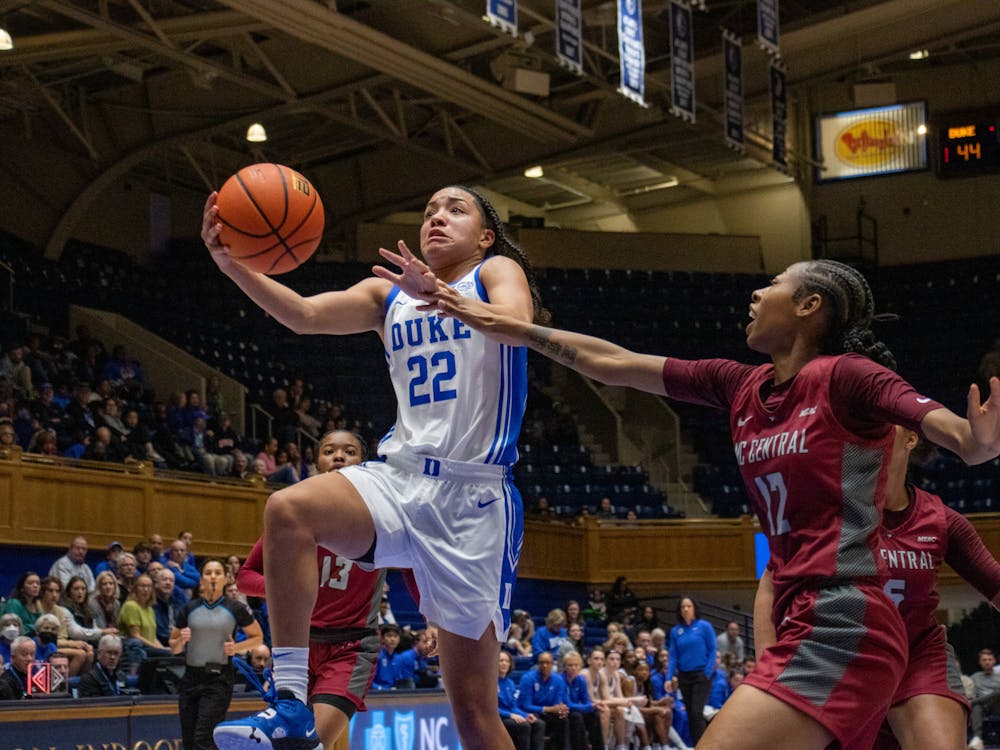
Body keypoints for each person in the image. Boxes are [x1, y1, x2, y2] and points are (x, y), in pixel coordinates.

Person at [432, 257, 1000, 749]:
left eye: (774, 284)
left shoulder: (846, 376)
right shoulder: (739, 384)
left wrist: (976, 441)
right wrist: (510, 328)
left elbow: (951, 432)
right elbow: (616, 363)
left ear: (810, 305)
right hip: (802, 613)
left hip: (844, 614)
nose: (755, 293)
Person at [204, 182, 545, 750]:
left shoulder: (495, 272)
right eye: (429, 208)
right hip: (400, 475)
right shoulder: (387, 295)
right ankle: (290, 705)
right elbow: (305, 314)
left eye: (455, 210)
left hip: (474, 500)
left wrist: (436, 292)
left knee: (474, 714)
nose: (436, 216)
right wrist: (229, 263)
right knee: (289, 509)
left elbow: (515, 324)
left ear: (485, 236)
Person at [236, 429, 401, 748]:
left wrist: (433, 619)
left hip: (350, 646)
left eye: (349, 451)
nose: (339, 456)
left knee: (310, 742)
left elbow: (413, 566)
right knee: (311, 741)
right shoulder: (294, 516)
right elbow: (246, 576)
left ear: (364, 462)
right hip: (298, 646)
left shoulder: (382, 512)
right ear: (316, 462)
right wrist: (288, 589)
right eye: (329, 450)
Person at [170, 559, 264, 750]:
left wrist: (235, 648)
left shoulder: (236, 608)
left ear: (225, 578)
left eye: (217, 573)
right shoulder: (189, 608)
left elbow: (257, 637)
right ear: (201, 580)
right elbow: (174, 647)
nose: (213, 576)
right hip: (190, 679)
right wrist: (181, 640)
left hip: (218, 679)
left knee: (204, 737)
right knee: (189, 740)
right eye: (208, 573)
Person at [665, 598, 716, 743]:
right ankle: (697, 744)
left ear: (694, 608)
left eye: (689, 606)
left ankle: (704, 744)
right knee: (690, 714)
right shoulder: (676, 631)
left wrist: (707, 672)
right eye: (683, 607)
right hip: (684, 676)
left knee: (696, 711)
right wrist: (669, 677)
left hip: (701, 675)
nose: (686, 609)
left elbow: (712, 650)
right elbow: (673, 655)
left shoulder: (704, 627)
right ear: (680, 611)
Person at [498, 650, 545, 750]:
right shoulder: (491, 682)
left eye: (507, 661)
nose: (504, 663)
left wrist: (525, 715)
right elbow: (491, 708)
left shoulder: (510, 683)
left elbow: (513, 706)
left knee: (539, 723)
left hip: (510, 715)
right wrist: (510, 715)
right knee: (524, 726)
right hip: (498, 717)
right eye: (501, 660)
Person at [969, 649, 1000, 750]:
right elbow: (973, 695)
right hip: (982, 707)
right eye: (984, 660)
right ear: (980, 662)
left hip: (997, 706)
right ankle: (977, 738)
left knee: (997, 693)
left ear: (994, 661)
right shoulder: (975, 677)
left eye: (989, 659)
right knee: (976, 706)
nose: (987, 662)